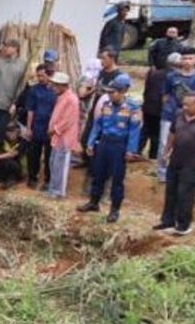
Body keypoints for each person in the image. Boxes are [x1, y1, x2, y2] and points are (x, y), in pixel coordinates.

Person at [79, 73, 141, 223]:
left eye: (112, 93)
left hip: (119, 146)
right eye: (108, 92)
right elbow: (97, 125)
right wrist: (90, 143)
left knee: (117, 179)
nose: (109, 95)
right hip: (104, 143)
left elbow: (134, 131)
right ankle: (94, 202)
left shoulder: (131, 108)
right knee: (98, 173)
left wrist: (130, 150)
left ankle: (114, 210)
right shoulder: (106, 106)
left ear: (122, 92)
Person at [156, 92, 195, 236]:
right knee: (171, 192)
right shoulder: (179, 115)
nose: (184, 107)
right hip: (176, 160)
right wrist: (166, 151)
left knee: (185, 194)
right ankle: (168, 221)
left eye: (188, 105)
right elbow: (172, 133)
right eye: (183, 104)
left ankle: (183, 225)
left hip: (193, 163)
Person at [159, 48, 195, 182]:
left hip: (193, 117)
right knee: (164, 142)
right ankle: (163, 173)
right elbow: (165, 95)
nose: (187, 61)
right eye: (184, 58)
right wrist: (167, 108)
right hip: (171, 112)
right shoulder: (172, 76)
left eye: (190, 58)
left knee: (191, 144)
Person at [0, 39, 26, 140]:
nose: (5, 49)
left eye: (8, 46)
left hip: (8, 105)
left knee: (0, 132)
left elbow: (21, 86)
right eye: (5, 46)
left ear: (15, 49)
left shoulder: (23, 65)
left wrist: (15, 103)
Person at [46, 71, 80, 200]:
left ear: (62, 85)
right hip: (58, 136)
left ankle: (59, 192)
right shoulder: (62, 97)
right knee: (54, 163)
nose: (53, 88)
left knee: (61, 165)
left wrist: (54, 129)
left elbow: (68, 120)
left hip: (64, 137)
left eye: (55, 85)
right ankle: (53, 189)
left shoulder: (71, 99)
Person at [25, 65, 57, 189]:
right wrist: (28, 128)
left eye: (42, 75)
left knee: (49, 156)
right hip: (36, 126)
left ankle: (48, 180)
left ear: (49, 75)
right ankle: (32, 178)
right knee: (33, 154)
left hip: (51, 129)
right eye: (38, 75)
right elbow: (30, 110)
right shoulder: (33, 90)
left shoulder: (55, 90)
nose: (40, 78)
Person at [141, 56, 167, 160]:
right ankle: (152, 157)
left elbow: (146, 90)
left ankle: (136, 151)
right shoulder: (170, 76)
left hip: (148, 106)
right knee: (156, 135)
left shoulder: (152, 73)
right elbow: (163, 95)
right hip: (158, 110)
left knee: (145, 131)